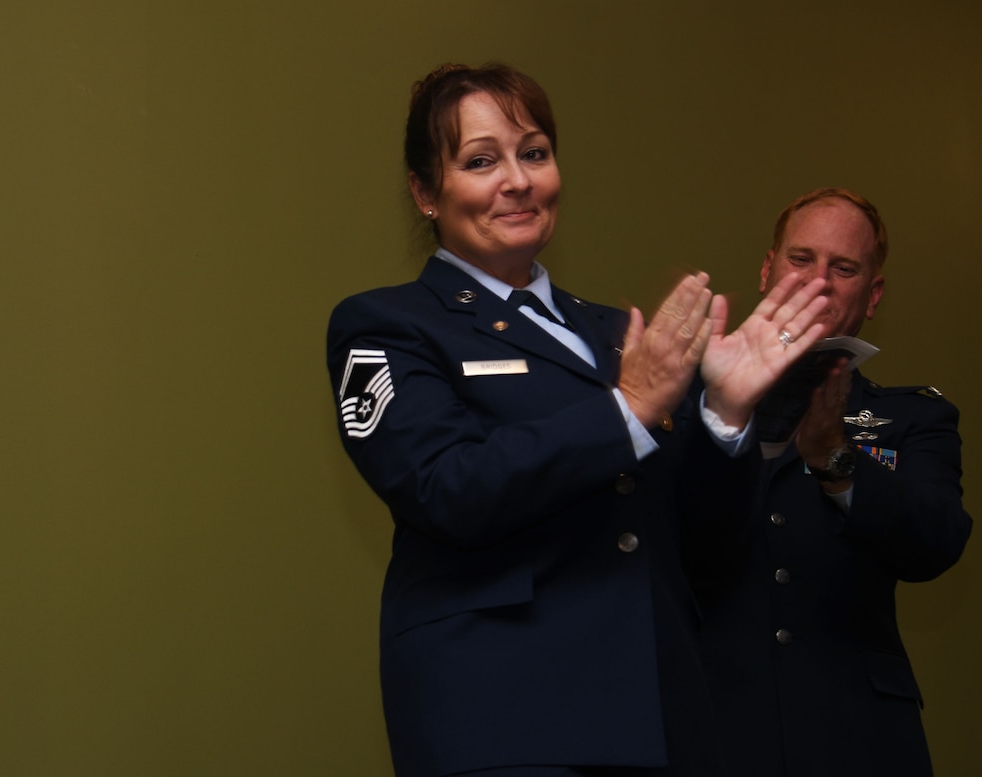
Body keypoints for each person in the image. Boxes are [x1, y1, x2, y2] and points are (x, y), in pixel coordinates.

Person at [327, 63, 828, 777]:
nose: (518, 180)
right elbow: (445, 488)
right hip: (504, 717)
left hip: (661, 720)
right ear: (425, 192)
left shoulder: (622, 336)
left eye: (534, 153)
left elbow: (709, 559)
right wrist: (627, 409)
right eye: (480, 161)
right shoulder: (386, 325)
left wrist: (725, 413)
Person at [694, 187, 973, 777]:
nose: (818, 282)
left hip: (860, 736)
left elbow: (936, 542)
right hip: (717, 728)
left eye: (844, 268)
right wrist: (724, 411)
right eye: (801, 259)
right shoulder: (693, 399)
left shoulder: (913, 416)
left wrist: (835, 458)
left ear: (873, 295)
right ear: (768, 270)